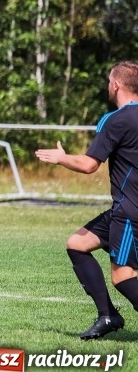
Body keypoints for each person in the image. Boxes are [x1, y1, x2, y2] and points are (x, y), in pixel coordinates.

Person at [35, 60, 138, 340]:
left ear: (116, 85)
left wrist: (61, 158)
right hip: (123, 210)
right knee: (78, 243)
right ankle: (108, 316)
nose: (107, 85)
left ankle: (109, 314)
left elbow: (89, 164)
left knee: (123, 276)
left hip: (130, 212)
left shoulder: (115, 120)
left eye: (108, 81)